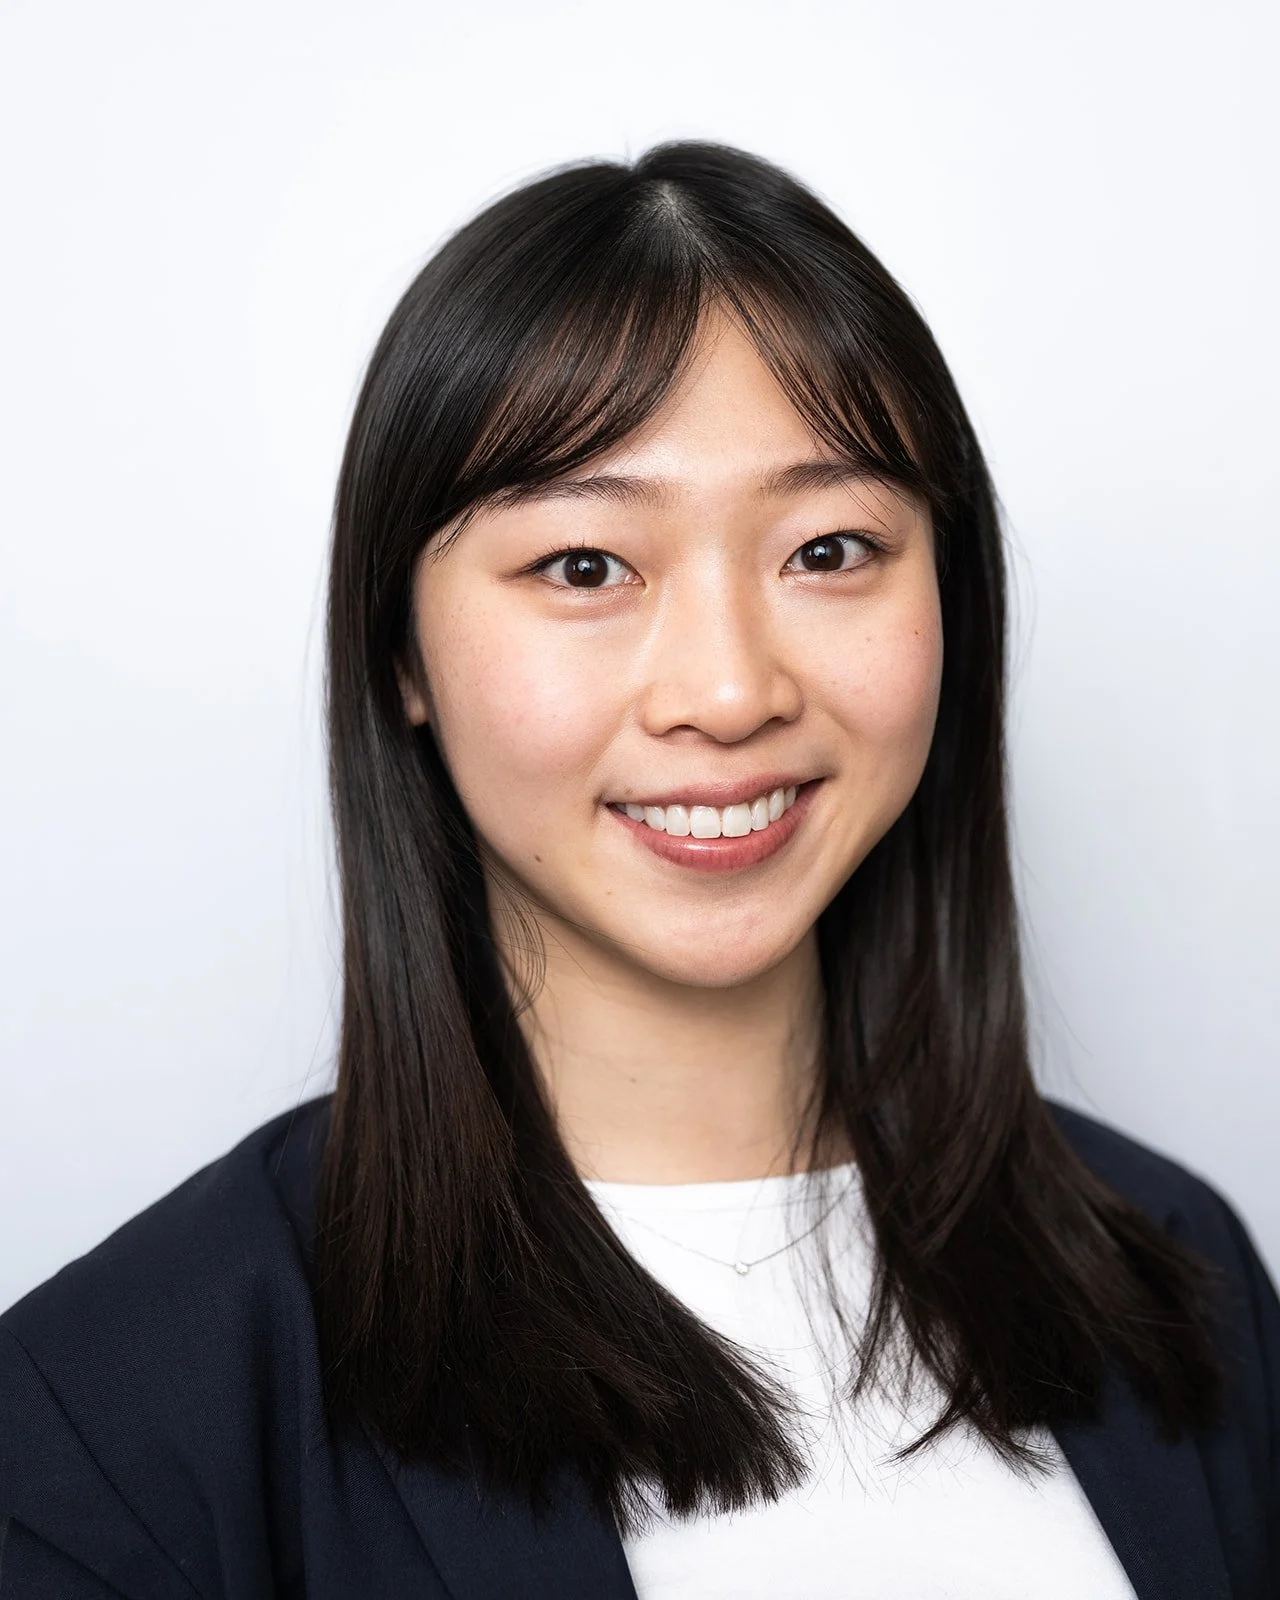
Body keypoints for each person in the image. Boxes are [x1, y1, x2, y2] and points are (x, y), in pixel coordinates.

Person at [0, 141, 1275, 1600]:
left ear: (953, 600)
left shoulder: (1184, 1276)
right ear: (400, 653)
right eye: (588, 567)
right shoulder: (111, 1418)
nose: (729, 693)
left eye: (833, 547)